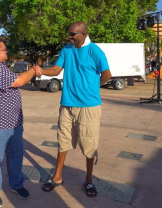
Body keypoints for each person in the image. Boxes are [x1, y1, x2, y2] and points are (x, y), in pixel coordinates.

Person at [39, 21, 112, 197]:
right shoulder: (67, 50)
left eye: (73, 34)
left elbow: (107, 74)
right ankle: (57, 177)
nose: (69, 37)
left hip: (89, 107)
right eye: (69, 34)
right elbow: (56, 70)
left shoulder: (95, 51)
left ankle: (88, 180)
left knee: (89, 144)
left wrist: (93, 89)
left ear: (83, 34)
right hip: (67, 105)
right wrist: (40, 71)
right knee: (62, 141)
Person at [0, 37, 41, 208]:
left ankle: (16, 184)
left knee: (15, 155)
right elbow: (19, 81)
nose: (7, 52)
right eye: (4, 50)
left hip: (12, 122)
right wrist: (34, 70)